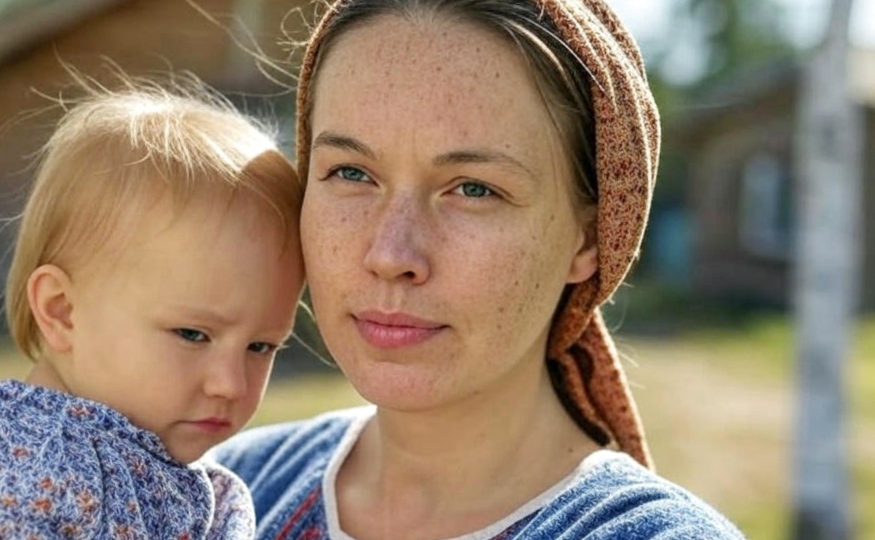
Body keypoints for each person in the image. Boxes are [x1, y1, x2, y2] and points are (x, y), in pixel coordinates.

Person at [211, 0, 746, 538]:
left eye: (473, 189)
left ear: (588, 238)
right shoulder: (223, 494)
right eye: (352, 172)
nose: (392, 255)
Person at [0, 78, 305, 540]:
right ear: (62, 311)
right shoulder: (13, 458)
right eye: (193, 335)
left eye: (261, 346)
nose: (231, 384)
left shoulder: (185, 474)